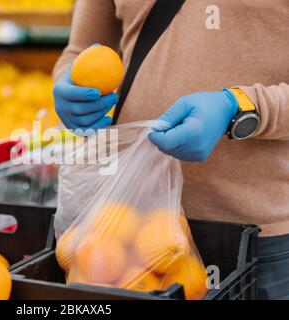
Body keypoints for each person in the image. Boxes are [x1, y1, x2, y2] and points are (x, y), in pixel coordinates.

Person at [52, 0, 289, 299]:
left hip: (256, 241)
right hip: (120, 227)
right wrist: (68, 85)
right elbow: (80, 49)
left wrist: (241, 108)